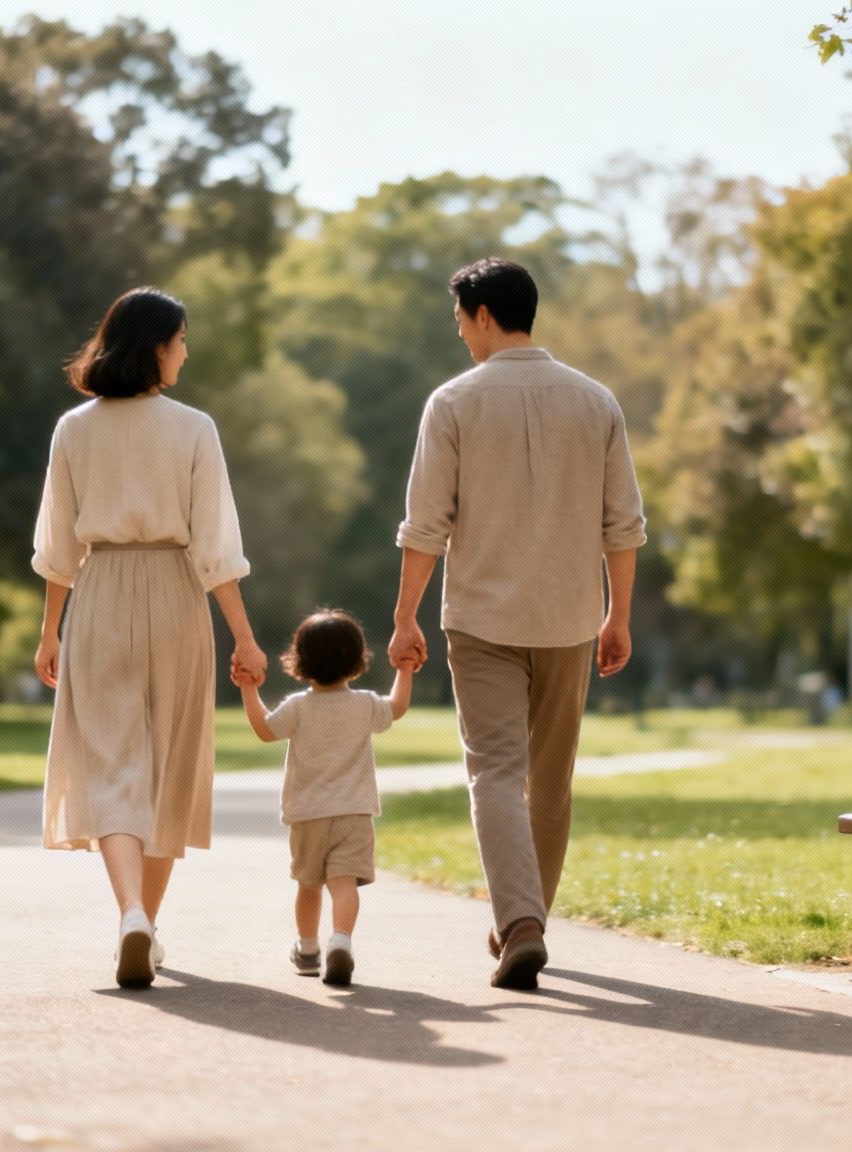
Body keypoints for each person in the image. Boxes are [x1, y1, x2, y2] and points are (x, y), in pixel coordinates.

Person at [388, 257, 647, 990]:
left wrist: (405, 616)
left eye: (461, 322)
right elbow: (622, 526)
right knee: (552, 783)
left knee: (495, 774)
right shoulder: (596, 401)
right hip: (570, 618)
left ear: (483, 315)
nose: (461, 336)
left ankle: (521, 925)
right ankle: (523, 922)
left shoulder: (453, 402)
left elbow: (424, 524)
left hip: (481, 621)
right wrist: (615, 616)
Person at [31, 287, 267, 990]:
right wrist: (246, 639)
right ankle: (144, 923)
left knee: (109, 761)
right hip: (174, 596)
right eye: (181, 340)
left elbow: (57, 543)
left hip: (99, 595)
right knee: (166, 764)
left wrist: (50, 631)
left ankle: (136, 915)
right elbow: (216, 550)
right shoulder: (194, 428)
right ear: (157, 345)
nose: (186, 352)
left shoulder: (74, 428)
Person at [236, 610, 412, 987]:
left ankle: (308, 948)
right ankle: (341, 942)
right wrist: (406, 670)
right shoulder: (365, 704)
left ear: (300, 660)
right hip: (354, 812)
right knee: (343, 883)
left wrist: (248, 689)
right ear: (357, 660)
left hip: (308, 814)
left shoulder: (298, 707)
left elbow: (266, 731)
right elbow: (396, 708)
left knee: (308, 883)